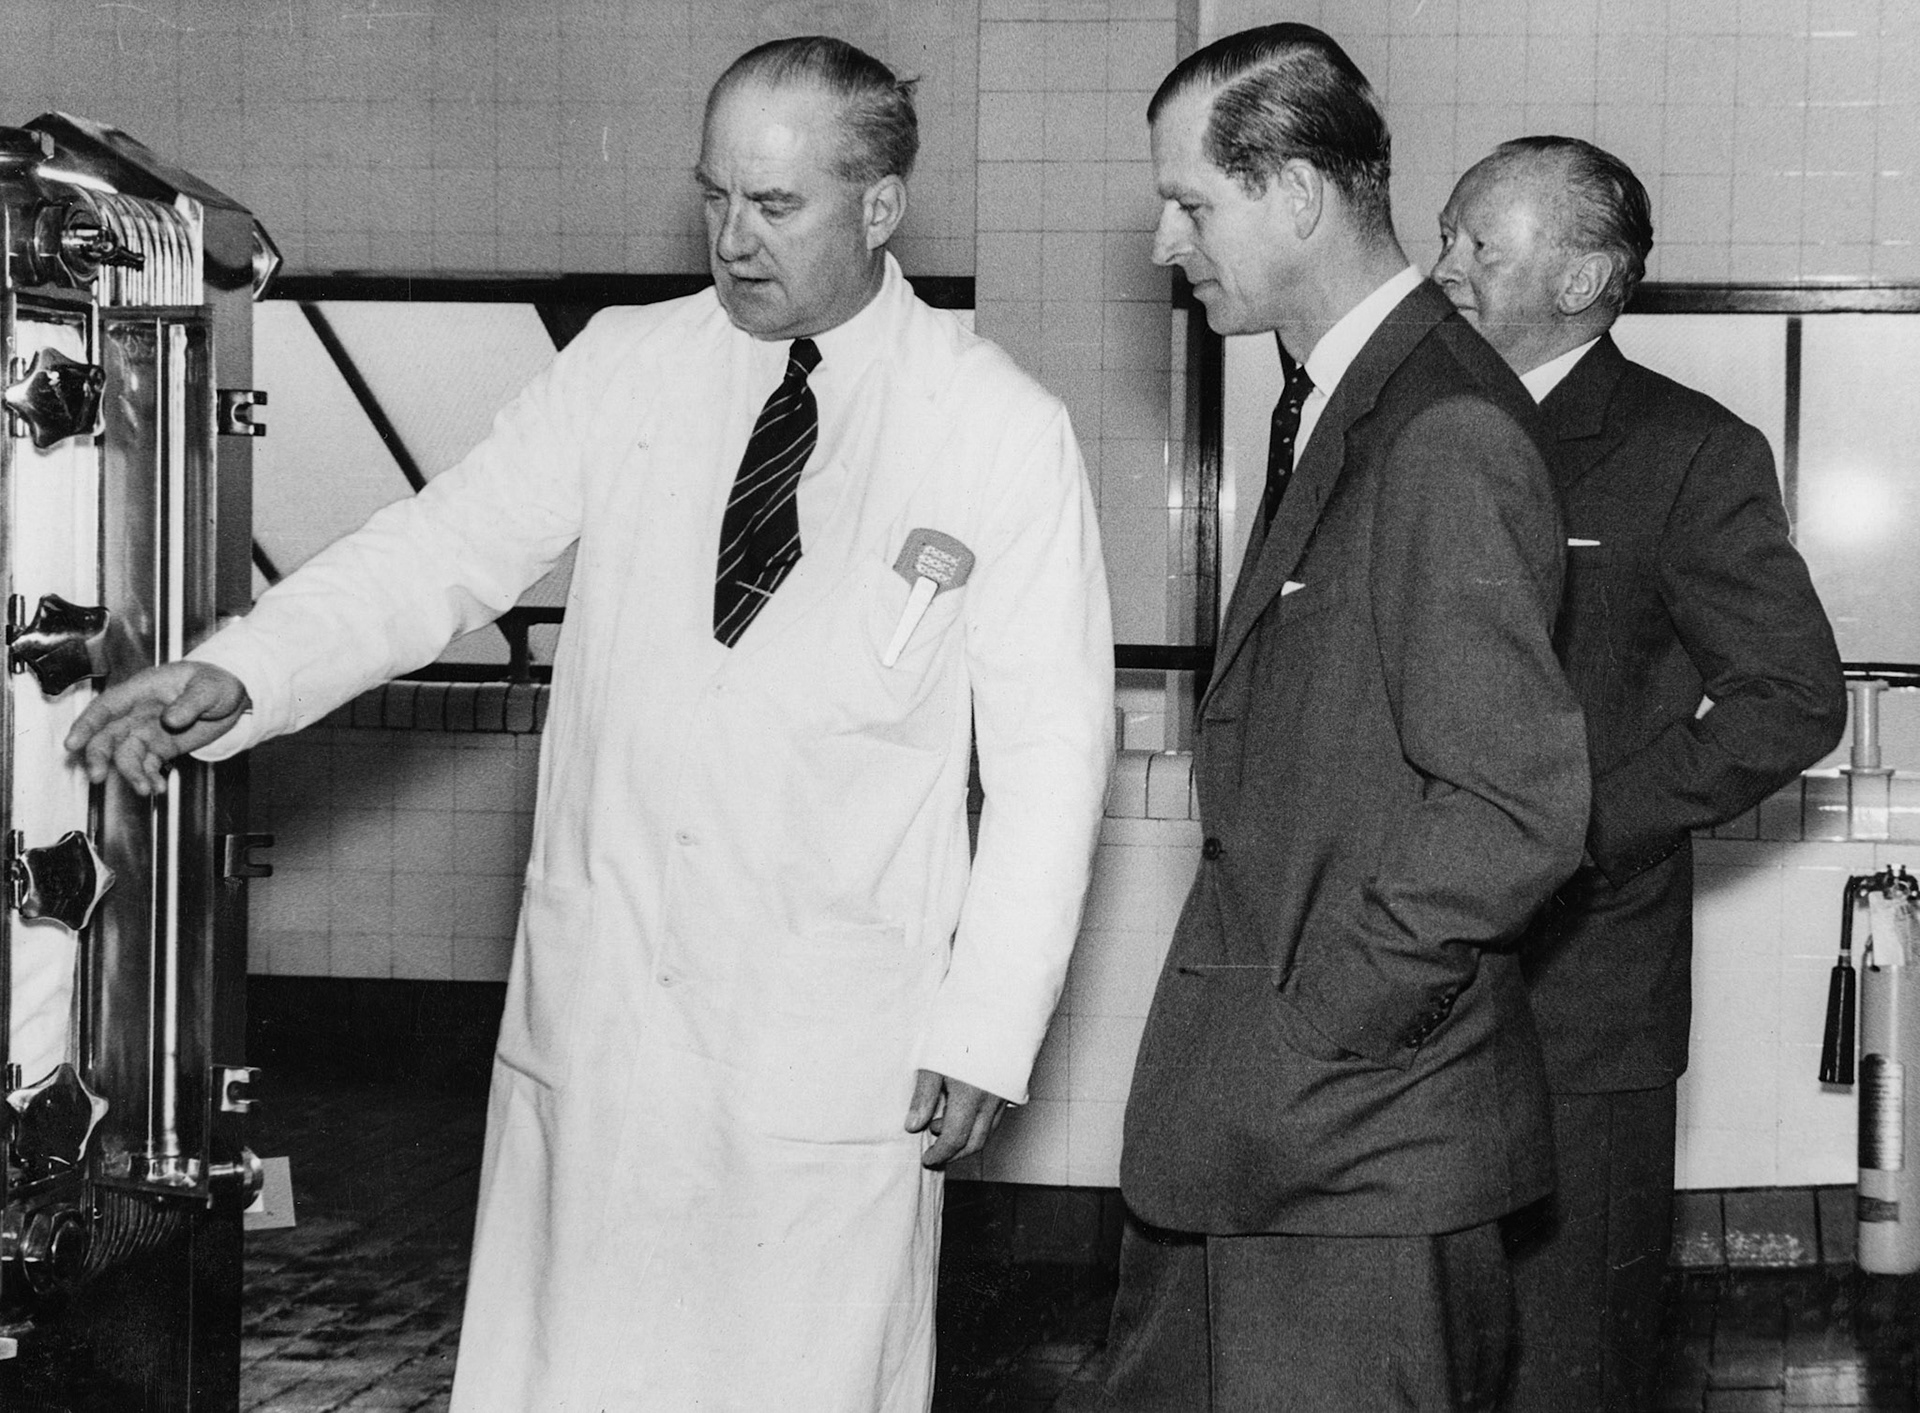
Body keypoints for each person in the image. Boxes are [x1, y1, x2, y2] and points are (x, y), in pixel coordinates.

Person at [66, 36, 1114, 1413]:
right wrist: (246, 671)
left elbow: (1050, 762)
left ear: (879, 208)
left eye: (776, 207)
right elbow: (438, 549)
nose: (733, 240)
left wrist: (987, 1024)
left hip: (828, 1039)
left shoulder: (995, 428)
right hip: (606, 1015)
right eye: (715, 197)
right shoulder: (628, 366)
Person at [1067, 25, 1590, 1413]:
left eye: (1193, 203)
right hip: (1262, 1136)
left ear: (1296, 193)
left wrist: (1323, 1026)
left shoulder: (1439, 428)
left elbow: (1513, 805)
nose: (1169, 242)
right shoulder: (1349, 402)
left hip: (1354, 1147)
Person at [1432, 136, 1846, 1413]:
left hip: (1583, 1000)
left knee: (1567, 1367)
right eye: (1444, 237)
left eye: (1477, 247)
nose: (1441, 269)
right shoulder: (1410, 431)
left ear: (1584, 278)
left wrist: (1585, 823)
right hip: (1405, 988)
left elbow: (1791, 698)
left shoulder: (1687, 452)